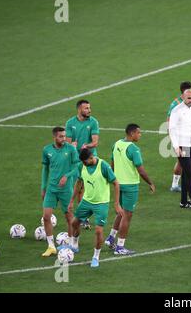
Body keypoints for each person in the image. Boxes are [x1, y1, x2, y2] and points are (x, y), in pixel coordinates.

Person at [104, 124, 156, 255]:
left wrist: (112, 180)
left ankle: (111, 238)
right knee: (127, 215)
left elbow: (112, 164)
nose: (140, 135)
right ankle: (120, 247)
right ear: (132, 134)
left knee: (120, 213)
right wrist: (150, 182)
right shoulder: (133, 149)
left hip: (118, 184)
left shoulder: (116, 144)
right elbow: (141, 169)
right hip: (130, 186)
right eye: (139, 133)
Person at [68, 149, 122, 268]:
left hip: (101, 204)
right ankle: (75, 245)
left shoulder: (103, 166)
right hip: (86, 201)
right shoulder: (81, 166)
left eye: (85, 161)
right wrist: (72, 200)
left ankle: (96, 257)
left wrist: (116, 204)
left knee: (98, 231)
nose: (83, 163)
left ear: (91, 157)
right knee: (74, 223)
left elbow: (116, 183)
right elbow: (79, 182)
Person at [41, 127, 79, 257]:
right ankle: (51, 246)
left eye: (64, 136)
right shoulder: (47, 150)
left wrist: (67, 176)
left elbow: (77, 168)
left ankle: (71, 243)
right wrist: (43, 187)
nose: (64, 139)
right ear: (55, 137)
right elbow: (45, 169)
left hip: (66, 190)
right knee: (46, 216)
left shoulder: (71, 149)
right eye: (61, 137)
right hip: (51, 189)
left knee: (69, 218)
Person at [66, 99, 100, 230]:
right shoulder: (70, 123)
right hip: (77, 159)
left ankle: (83, 217)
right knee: (79, 186)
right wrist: (72, 146)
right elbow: (68, 143)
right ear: (79, 109)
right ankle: (82, 217)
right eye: (86, 108)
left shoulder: (93, 122)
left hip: (90, 159)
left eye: (89, 108)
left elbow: (95, 142)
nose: (89, 110)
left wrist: (87, 145)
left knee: (86, 187)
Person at [167, 81, 191, 192]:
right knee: (183, 161)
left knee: (182, 161)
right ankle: (176, 185)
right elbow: (169, 122)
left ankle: (176, 184)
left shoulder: (187, 101)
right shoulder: (176, 105)